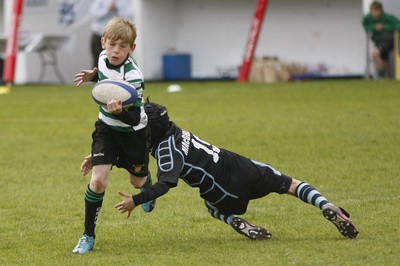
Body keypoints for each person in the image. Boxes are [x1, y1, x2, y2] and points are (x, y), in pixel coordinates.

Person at [81, 99, 359, 240]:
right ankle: (326, 204)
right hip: (239, 164)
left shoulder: (167, 151)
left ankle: (236, 222)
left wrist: (136, 200)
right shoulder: (175, 131)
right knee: (291, 184)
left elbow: (165, 184)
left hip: (224, 190)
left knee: (214, 209)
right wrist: (100, 157)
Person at [72, 17, 155, 254]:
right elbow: (107, 80)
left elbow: (136, 117)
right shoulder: (101, 58)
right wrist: (94, 77)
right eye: (112, 45)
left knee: (136, 181)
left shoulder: (134, 78)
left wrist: (120, 112)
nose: (116, 51)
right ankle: (88, 235)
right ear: (103, 42)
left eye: (122, 47)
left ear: (132, 48)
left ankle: (146, 182)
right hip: (106, 129)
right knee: (97, 181)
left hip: (133, 132)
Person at [89, 0, 134, 69]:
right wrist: (107, 9)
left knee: (121, 59)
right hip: (99, 33)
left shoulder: (125, 1)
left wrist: (117, 9)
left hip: (119, 36)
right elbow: (93, 14)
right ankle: (97, 78)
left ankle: (123, 77)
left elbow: (129, 15)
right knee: (98, 61)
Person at [362, 1, 399, 79]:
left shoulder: (388, 17)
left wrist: (385, 27)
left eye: (378, 10)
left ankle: (381, 72)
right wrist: (374, 27)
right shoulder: (368, 18)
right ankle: (387, 77)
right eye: (374, 11)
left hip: (388, 40)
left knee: (375, 54)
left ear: (381, 10)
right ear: (371, 10)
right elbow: (365, 26)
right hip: (378, 41)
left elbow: (397, 25)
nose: (376, 13)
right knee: (384, 58)